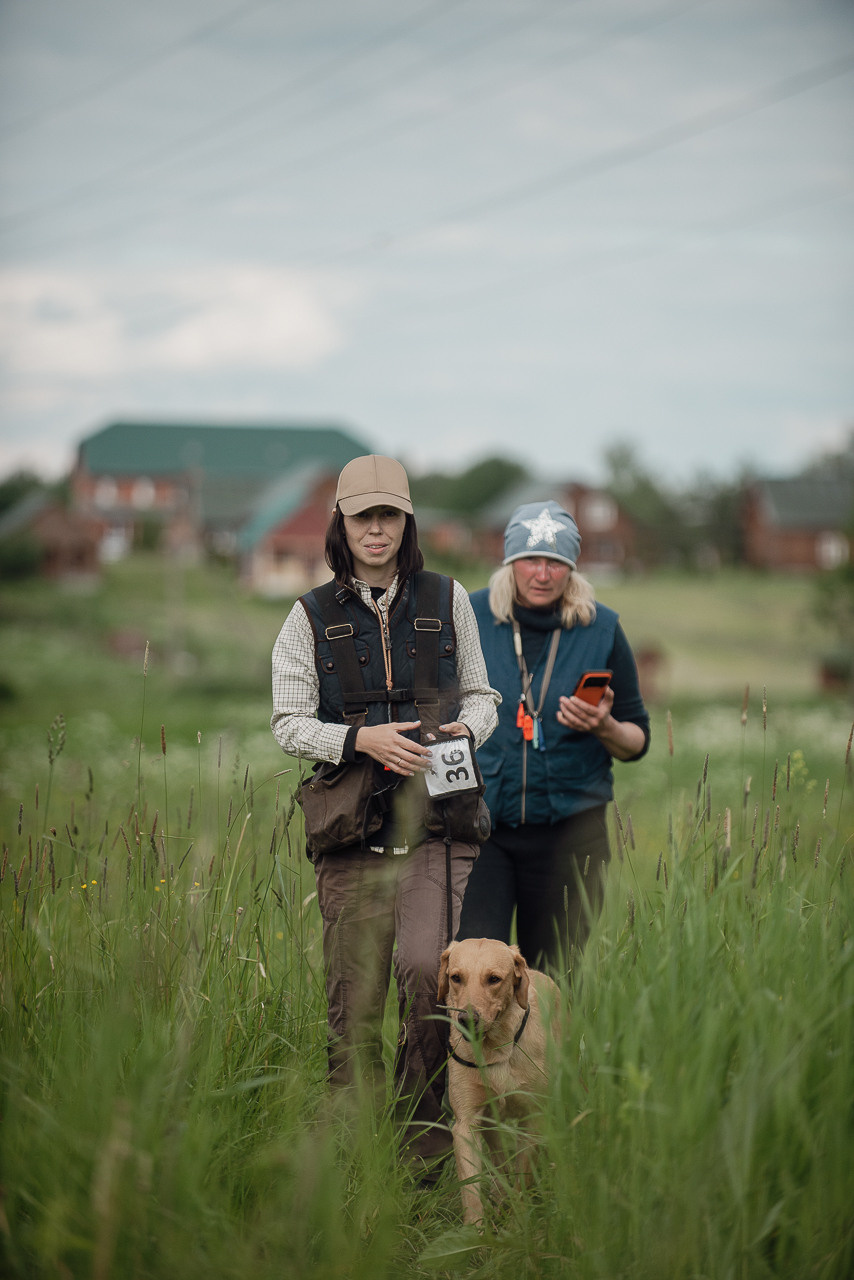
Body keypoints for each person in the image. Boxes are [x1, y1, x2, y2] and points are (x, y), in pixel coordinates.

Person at [271, 454, 499, 1178]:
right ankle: (352, 1148)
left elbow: (484, 697)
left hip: (439, 830)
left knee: (428, 979)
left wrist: (467, 730)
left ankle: (424, 1152)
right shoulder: (306, 616)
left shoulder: (449, 597)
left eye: (389, 515)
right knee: (355, 998)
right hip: (350, 838)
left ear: (406, 522)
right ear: (342, 522)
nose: (376, 528)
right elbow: (287, 723)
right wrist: (357, 738)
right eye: (362, 515)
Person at [457, 499, 650, 974]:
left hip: (572, 834)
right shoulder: (470, 617)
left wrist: (604, 727)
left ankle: (556, 1054)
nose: (541, 574)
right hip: (484, 831)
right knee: (479, 974)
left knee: (556, 979)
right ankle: (478, 1054)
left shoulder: (602, 628)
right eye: (529, 560)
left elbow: (638, 738)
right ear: (510, 561)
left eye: (555, 563)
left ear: (571, 568)